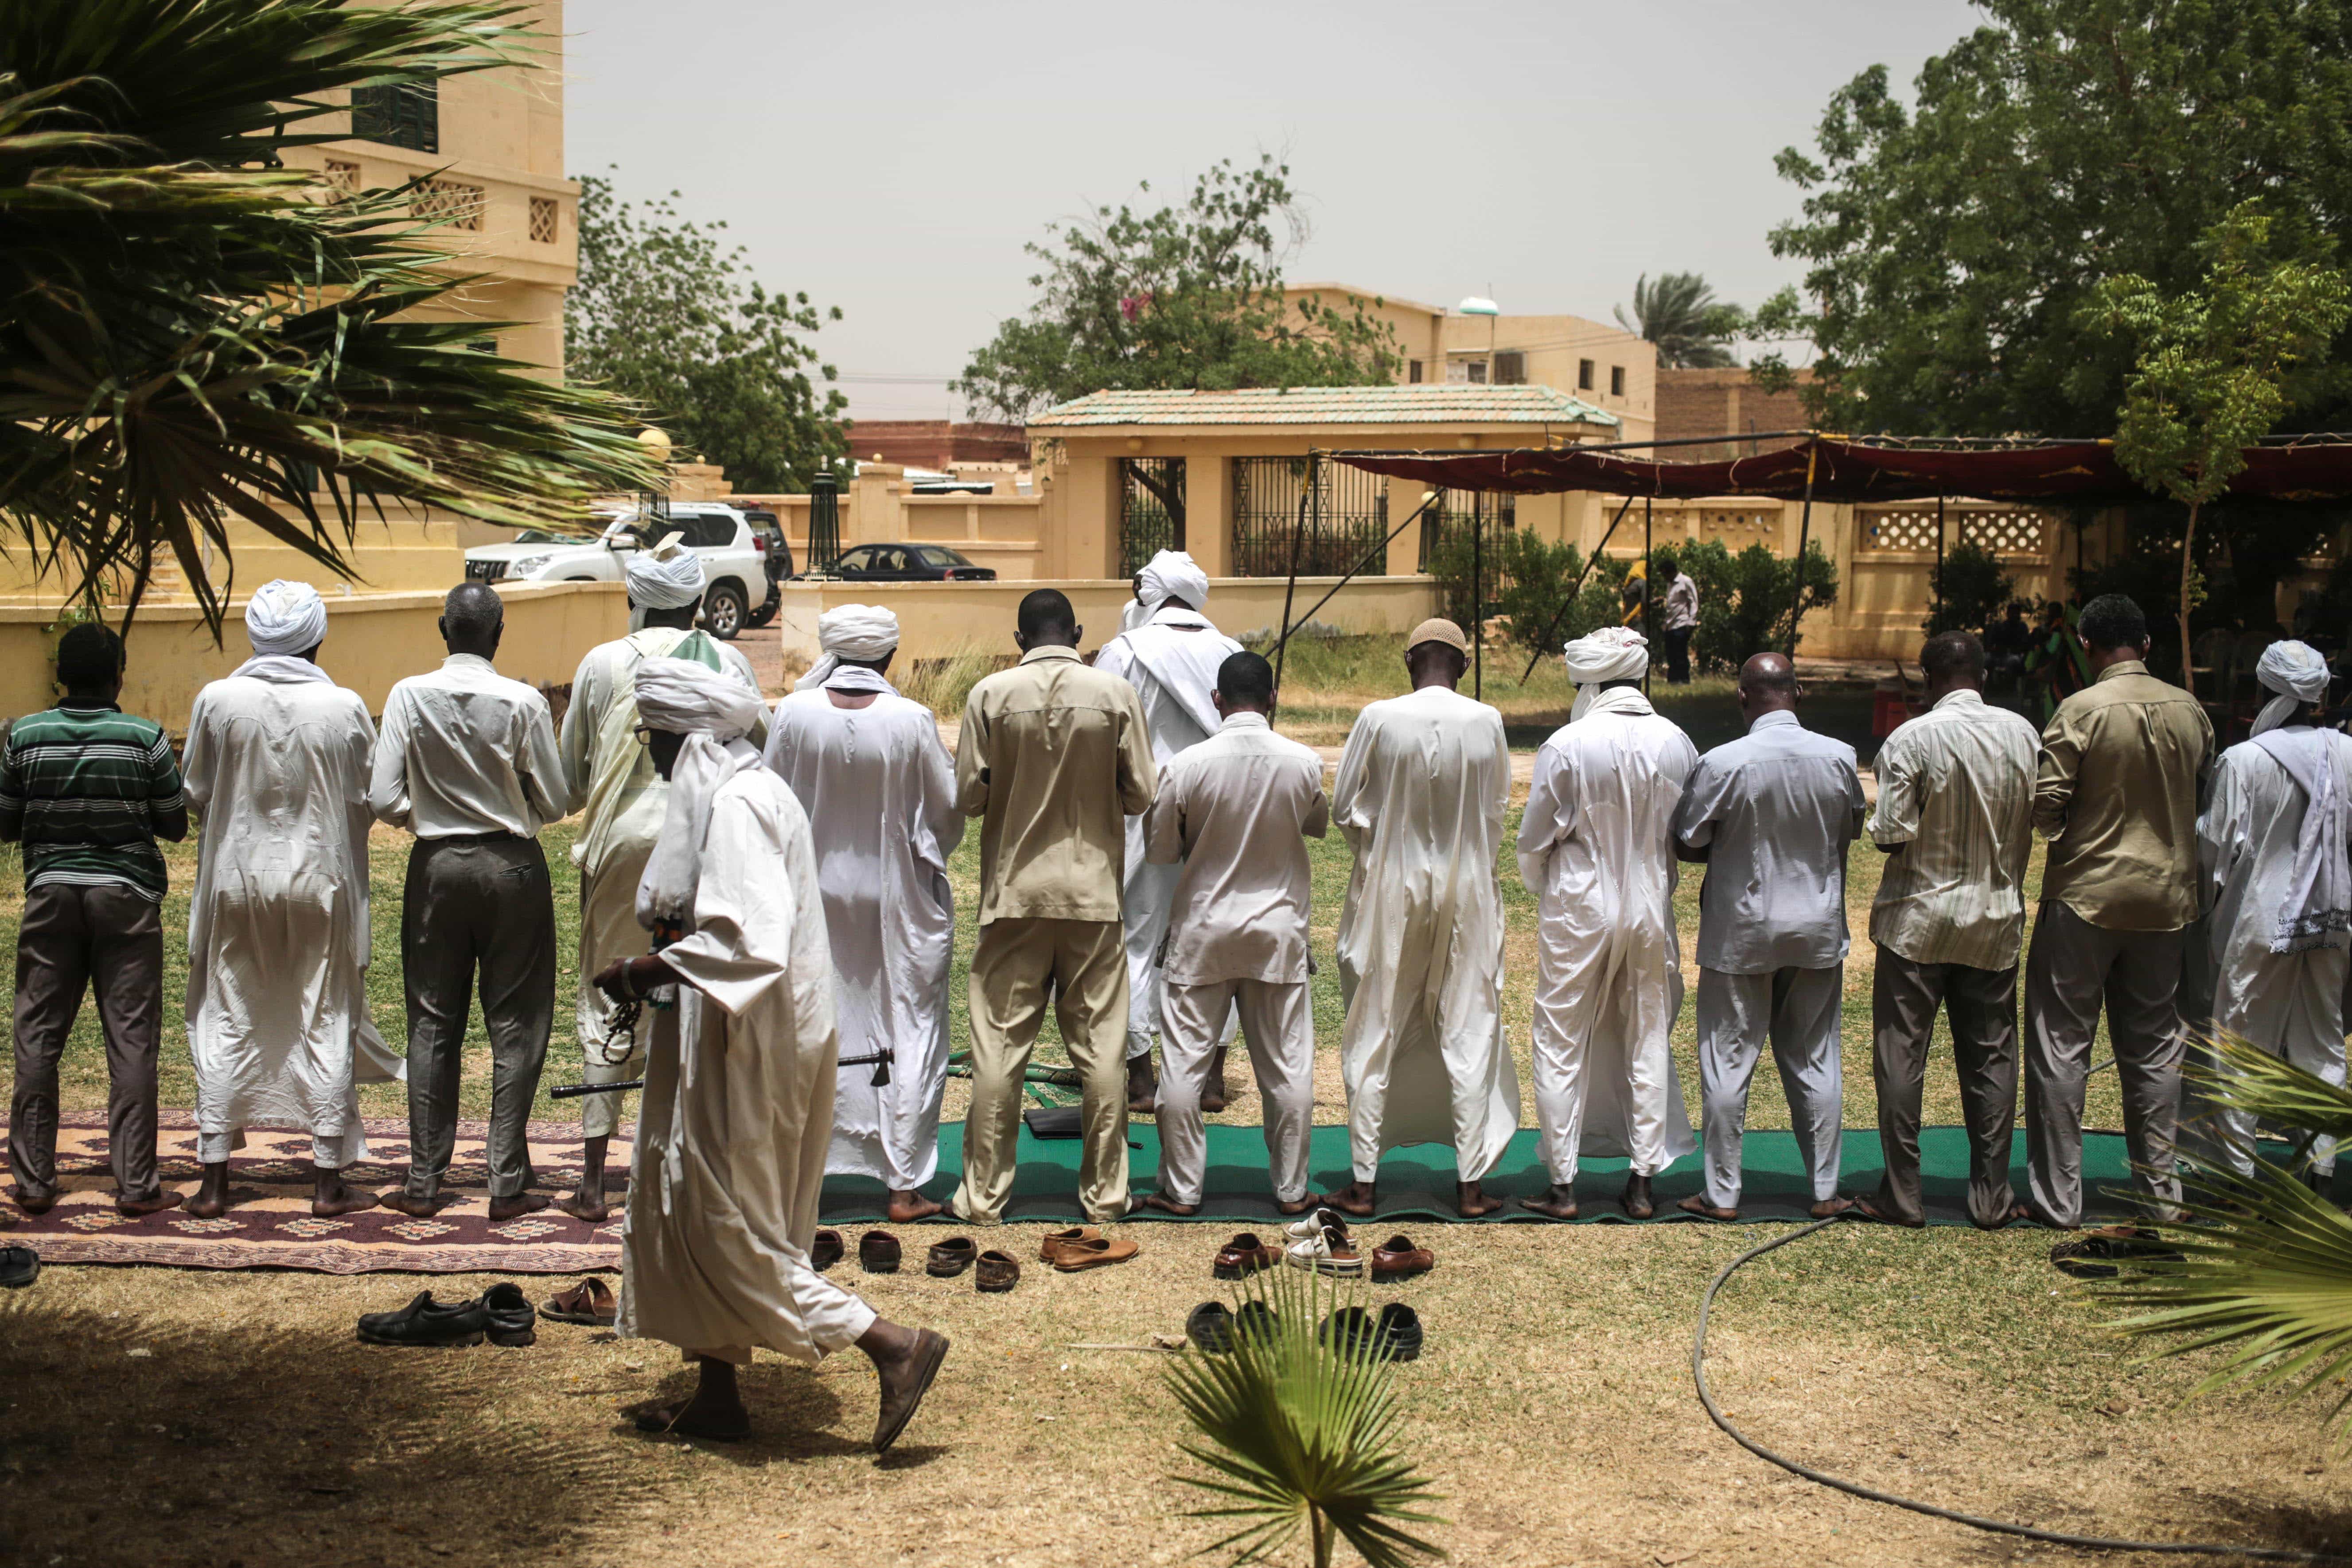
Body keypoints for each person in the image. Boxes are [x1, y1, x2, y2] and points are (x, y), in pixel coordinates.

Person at [596, 657, 948, 1448]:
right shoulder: (739, 792)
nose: (650, 755)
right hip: (729, 1031)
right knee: (701, 1201)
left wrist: (636, 971)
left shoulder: (741, 805)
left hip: (751, 1043)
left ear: (688, 742)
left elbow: (743, 941)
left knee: (725, 1219)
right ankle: (718, 1393)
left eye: (655, 740)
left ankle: (891, 1342)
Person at [553, 538, 760, 1222]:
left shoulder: (602, 662)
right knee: (699, 995)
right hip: (707, 838)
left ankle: (591, 1178)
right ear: (700, 603)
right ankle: (691, 1169)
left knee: (607, 996)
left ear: (633, 599)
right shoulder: (728, 657)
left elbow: (575, 772)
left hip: (619, 844)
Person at [183, 581, 400, 1220]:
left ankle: (216, 1178)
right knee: (324, 1013)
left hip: (235, 878)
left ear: (254, 636)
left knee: (228, 1011)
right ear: (317, 637)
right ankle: (327, 1180)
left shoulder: (217, 700)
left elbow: (195, 788)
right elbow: (370, 794)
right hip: (320, 881)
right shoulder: (346, 705)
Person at [951, 589, 1156, 1226]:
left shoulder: (988, 695)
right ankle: (1105, 1196)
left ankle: (983, 1197)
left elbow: (968, 797)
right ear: (1077, 631)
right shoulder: (1114, 694)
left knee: (997, 1051)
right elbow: (1141, 793)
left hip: (1014, 895)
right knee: (1101, 1051)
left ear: (1019, 638)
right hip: (1092, 897)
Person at [370, 583, 566, 1220]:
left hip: (438, 866)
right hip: (511, 866)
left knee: (433, 1020)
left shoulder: (407, 694)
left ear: (442, 628)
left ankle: (424, 1177)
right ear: (500, 632)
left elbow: (382, 796)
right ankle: (506, 1177)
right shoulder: (523, 700)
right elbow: (557, 799)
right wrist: (517, 813)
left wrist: (425, 814)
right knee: (516, 1022)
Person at [2026, 593, 2213, 1256]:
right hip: (2167, 901)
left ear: (2086, 642)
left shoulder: (2079, 710)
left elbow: (2046, 808)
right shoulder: (2190, 708)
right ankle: (2163, 1193)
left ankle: (2059, 1197)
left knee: (2061, 1042)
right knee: (2158, 1045)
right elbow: (2205, 794)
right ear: (2147, 643)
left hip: (2086, 897)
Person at [764, 605, 962, 1223]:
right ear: (888, 657)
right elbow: (947, 807)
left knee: (811, 1024)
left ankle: (803, 1184)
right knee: (904, 1021)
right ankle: (902, 1188)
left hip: (811, 892)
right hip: (894, 892)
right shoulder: (911, 719)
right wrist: (925, 856)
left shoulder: (793, 712)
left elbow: (770, 796)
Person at [1327, 618, 1519, 1220]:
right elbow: (1495, 810)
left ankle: (1363, 1183)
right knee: (1469, 1021)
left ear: (1409, 659)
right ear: (1462, 664)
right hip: (1466, 889)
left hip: (1394, 888)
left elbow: (1344, 808)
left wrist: (1381, 850)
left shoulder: (1379, 717)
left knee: (1378, 1020)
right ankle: (1470, 1185)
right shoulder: (1486, 720)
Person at [1853, 631, 2039, 1229]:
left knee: (1902, 1054)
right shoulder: (2024, 735)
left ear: (1930, 679)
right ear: (1982, 675)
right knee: (1990, 1057)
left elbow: (1891, 833)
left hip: (1918, 919)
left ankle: (1903, 1194)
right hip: (1993, 919)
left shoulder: (1911, 738)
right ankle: (1991, 1196)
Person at [1672, 652, 1866, 1222]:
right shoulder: (1839, 757)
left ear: (1741, 697)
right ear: (1798, 692)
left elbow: (1688, 840)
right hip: (1815, 925)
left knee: (1728, 1060)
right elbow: (1848, 828)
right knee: (1815, 1057)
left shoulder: (1723, 761)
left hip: (1743, 929)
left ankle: (1723, 1193)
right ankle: (1826, 1188)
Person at [1, 623, 187, 1217]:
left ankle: (33, 1181)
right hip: (126, 897)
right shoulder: (147, 738)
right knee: (131, 1039)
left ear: (60, 674)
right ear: (119, 673)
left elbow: (5, 822)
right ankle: (136, 1184)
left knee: (38, 1037)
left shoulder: (21, 736)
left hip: (51, 892)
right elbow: (174, 822)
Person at [1516, 626, 1698, 1221]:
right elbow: (1685, 833)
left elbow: (1534, 841)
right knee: (1647, 1034)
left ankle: (1562, 1186)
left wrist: (1550, 889)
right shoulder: (1677, 741)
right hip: (1649, 904)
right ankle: (1642, 1183)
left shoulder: (1568, 743)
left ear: (1588, 684)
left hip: (1579, 906)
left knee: (1560, 1037)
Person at [1140, 650, 1327, 1218]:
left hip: (1203, 931)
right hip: (1276, 932)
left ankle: (1182, 1188)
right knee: (1288, 1068)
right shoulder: (1303, 762)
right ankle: (1292, 1189)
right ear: (1272, 699)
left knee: (1182, 1068)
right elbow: (1315, 824)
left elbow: (1160, 848)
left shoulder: (1187, 764)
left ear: (1216, 701)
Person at [2184, 640, 2352, 1182]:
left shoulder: (2243, 760)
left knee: (2240, 1043)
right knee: (2321, 1039)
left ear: (2261, 690)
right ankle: (2319, 1170)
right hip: (2331, 919)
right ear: (2318, 694)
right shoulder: (2348, 753)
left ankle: (2240, 1174)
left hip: (2257, 922)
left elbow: (2213, 852)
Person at [1094, 549, 1243, 1113]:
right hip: (1219, 808)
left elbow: (1098, 731)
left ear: (1148, 594)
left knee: (1135, 935)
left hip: (1142, 812)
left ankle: (1140, 1076)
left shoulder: (1121, 652)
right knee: (1217, 932)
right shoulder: (1230, 651)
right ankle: (1211, 1077)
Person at [1657, 552, 1697, 686]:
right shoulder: (1670, 584)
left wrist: (1691, 622)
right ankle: (1673, 681)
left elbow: (1694, 602)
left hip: (1682, 623)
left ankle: (1684, 680)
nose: (1664, 578)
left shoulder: (1686, 581)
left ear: (1672, 572)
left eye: (1665, 574)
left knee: (1681, 654)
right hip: (1670, 624)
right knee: (1671, 654)